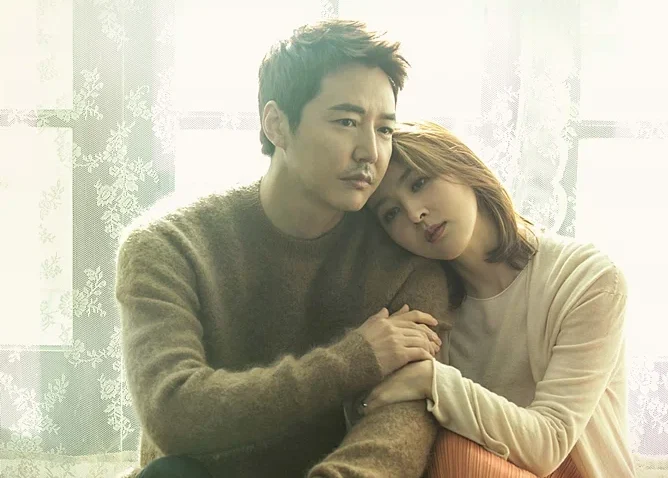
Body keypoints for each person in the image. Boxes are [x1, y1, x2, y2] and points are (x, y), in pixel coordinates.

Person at [115, 21, 452, 478]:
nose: (370, 152)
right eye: (347, 122)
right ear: (276, 125)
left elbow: (398, 428)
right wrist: (353, 359)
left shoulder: (408, 262)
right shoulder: (168, 245)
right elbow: (174, 413)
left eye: (385, 129)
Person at [364, 121, 636, 478]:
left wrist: (432, 380)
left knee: (454, 453)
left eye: (418, 183)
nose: (415, 214)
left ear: (461, 165)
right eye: (391, 213)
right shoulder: (427, 308)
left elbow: (549, 444)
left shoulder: (588, 278)